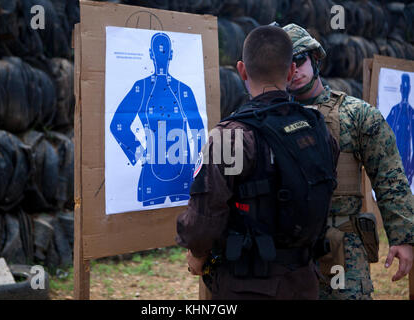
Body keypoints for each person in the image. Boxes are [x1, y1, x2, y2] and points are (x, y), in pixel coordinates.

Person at [176, 25, 339, 300]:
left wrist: (197, 253)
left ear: (241, 70)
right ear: (289, 72)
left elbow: (202, 222)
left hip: (247, 284)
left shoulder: (231, 137)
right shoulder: (319, 128)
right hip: (304, 281)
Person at [283, 23, 414, 300]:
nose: (293, 71)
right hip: (287, 249)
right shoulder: (270, 118)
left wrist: (403, 238)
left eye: (299, 60)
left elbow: (390, 178)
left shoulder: (357, 114)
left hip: (344, 247)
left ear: (315, 60)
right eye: (285, 63)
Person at [110, 32, 205, 206]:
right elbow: (117, 124)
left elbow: (199, 131)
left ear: (171, 54)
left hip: (183, 174)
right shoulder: (142, 88)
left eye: (164, 50)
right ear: (151, 53)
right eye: (158, 50)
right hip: (153, 176)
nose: (161, 54)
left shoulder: (184, 90)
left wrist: (195, 168)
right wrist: (140, 152)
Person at [386, 73, 413, 186]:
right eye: (404, 87)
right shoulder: (395, 110)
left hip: (406, 159)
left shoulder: (411, 113)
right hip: (393, 157)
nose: (405, 90)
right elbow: (383, 134)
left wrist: (411, 168)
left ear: (410, 89)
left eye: (407, 88)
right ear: (401, 89)